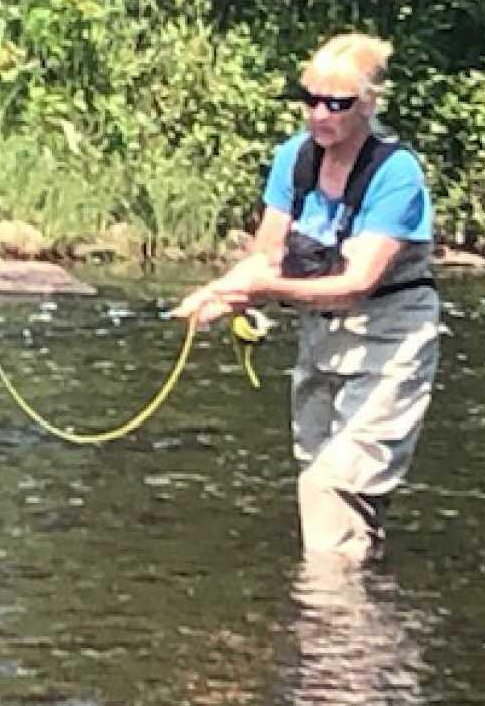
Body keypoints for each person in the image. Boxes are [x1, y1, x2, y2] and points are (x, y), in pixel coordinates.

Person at [173, 32, 440, 562]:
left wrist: (261, 290)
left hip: (390, 341)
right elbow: (268, 256)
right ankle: (351, 613)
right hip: (322, 337)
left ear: (367, 104)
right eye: (310, 99)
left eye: (336, 104)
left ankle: (332, 624)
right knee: (318, 474)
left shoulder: (397, 174)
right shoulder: (295, 158)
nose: (319, 114)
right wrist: (218, 294)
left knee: (338, 483)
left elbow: (355, 283)